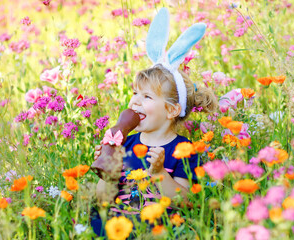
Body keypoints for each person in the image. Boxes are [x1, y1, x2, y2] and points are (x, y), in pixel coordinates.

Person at [90, 7, 218, 238]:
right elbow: (103, 199)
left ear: (171, 110)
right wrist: (107, 170)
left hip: (160, 225)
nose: (135, 101)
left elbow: (185, 202)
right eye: (135, 93)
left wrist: (159, 173)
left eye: (147, 97)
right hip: (122, 222)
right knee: (97, 219)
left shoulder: (184, 151)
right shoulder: (125, 144)